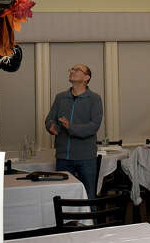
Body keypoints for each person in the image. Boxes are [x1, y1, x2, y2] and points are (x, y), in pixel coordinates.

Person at [44, 64, 103, 201]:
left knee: (88, 197)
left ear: (86, 77)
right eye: (71, 69)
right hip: (63, 157)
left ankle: (90, 223)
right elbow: (49, 119)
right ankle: (66, 223)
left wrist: (70, 127)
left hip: (86, 158)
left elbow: (93, 127)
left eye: (77, 70)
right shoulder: (60, 97)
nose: (72, 71)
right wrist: (50, 126)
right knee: (63, 197)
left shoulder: (95, 99)